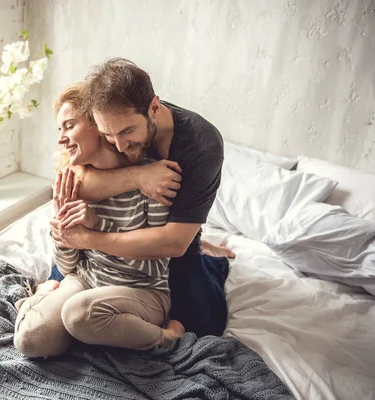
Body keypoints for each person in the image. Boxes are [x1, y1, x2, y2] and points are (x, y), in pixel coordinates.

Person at [51, 58, 234, 338]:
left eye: (128, 132)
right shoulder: (112, 119)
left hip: (176, 233)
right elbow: (74, 179)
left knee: (205, 325)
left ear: (154, 108)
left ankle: (213, 260)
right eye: (108, 136)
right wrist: (138, 176)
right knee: (58, 278)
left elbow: (174, 243)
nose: (120, 145)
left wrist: (86, 239)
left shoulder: (202, 144)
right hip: (120, 223)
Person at [13, 83, 184, 359]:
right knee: (30, 339)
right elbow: (68, 266)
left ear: (98, 124)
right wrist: (64, 231)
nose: (61, 138)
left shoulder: (151, 181)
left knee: (79, 314)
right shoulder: (77, 183)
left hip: (141, 291)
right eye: (59, 129)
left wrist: (96, 226)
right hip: (84, 282)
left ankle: (165, 337)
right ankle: (44, 299)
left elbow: (154, 268)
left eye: (69, 126)